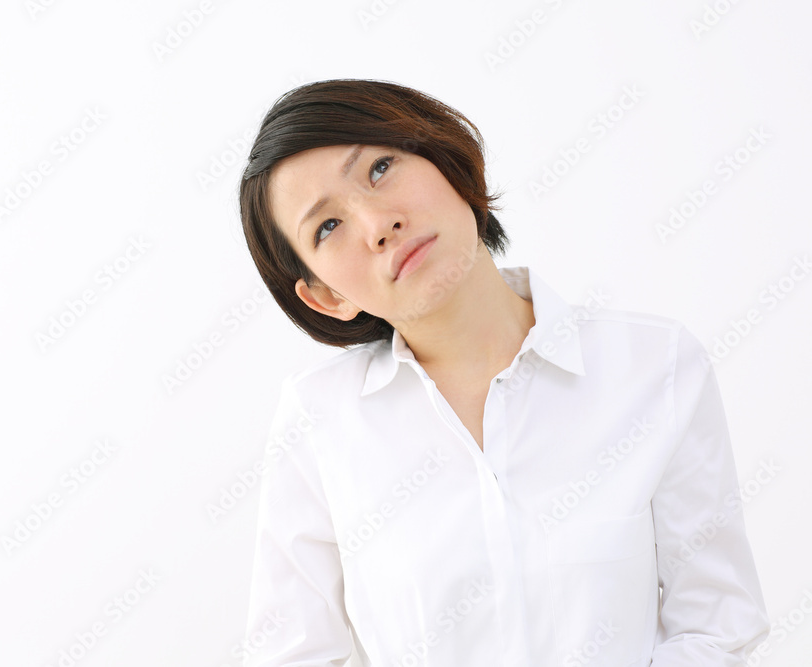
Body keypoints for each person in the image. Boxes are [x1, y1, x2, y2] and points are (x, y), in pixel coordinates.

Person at [236, 78, 769, 666]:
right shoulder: (318, 418)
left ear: (449, 160)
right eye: (327, 227)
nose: (377, 223)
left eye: (380, 168)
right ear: (326, 297)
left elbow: (716, 625)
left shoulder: (655, 365)